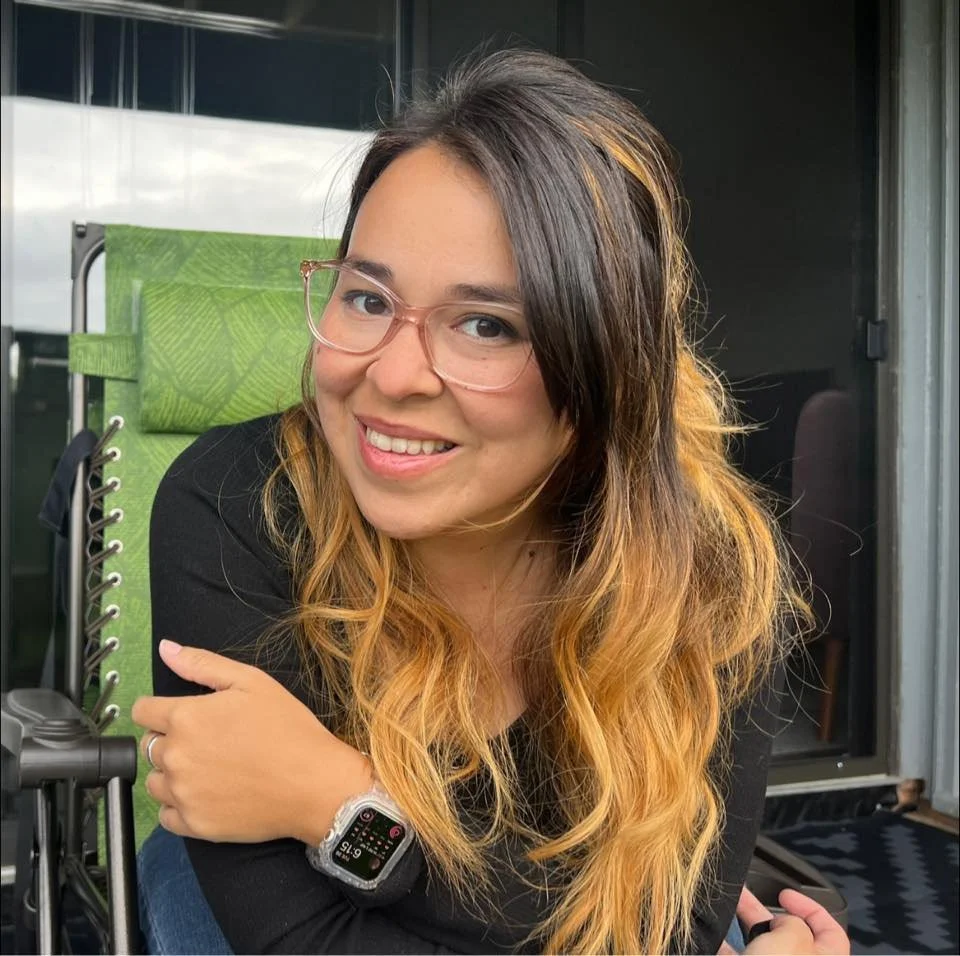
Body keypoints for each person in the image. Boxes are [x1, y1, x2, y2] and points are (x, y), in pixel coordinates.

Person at [131, 49, 849, 955]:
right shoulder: (235, 505)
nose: (389, 375)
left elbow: (668, 931)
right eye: (366, 297)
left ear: (602, 377)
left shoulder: (712, 570)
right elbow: (301, 941)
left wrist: (342, 805)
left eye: (487, 325)